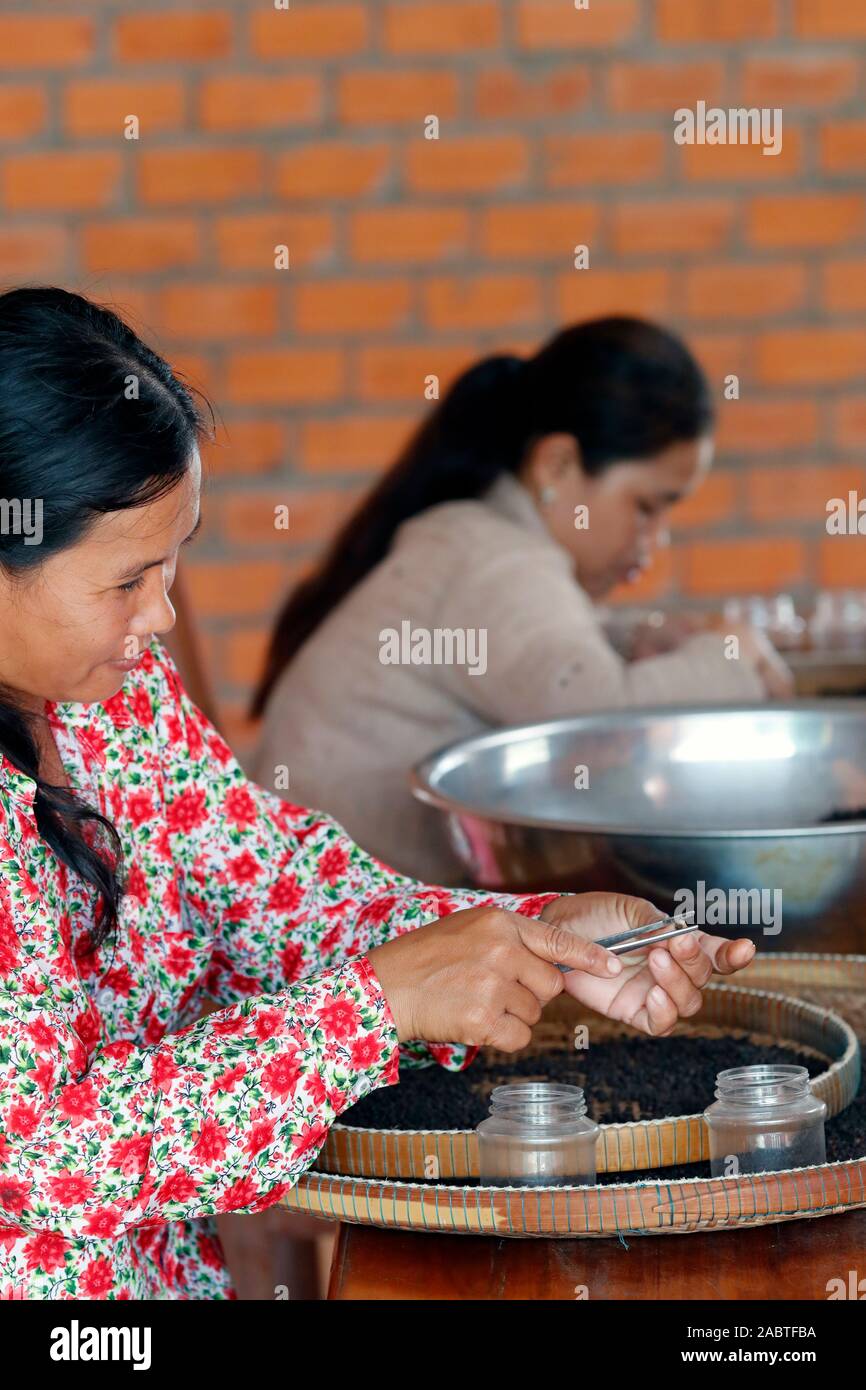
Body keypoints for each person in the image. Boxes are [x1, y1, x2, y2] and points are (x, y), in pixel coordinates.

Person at [0, 288, 757, 1300]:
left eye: (174, 567)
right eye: (127, 581)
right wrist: (376, 1004)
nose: (162, 615)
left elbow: (276, 892)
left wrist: (535, 931)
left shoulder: (115, 701)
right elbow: (46, 1153)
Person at [250, 317, 794, 883]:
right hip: (320, 923)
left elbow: (539, 659)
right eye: (647, 507)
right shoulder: (497, 561)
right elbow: (596, 720)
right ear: (557, 465)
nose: (657, 539)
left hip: (324, 891)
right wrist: (730, 656)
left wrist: (629, 640)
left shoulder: (479, 538)